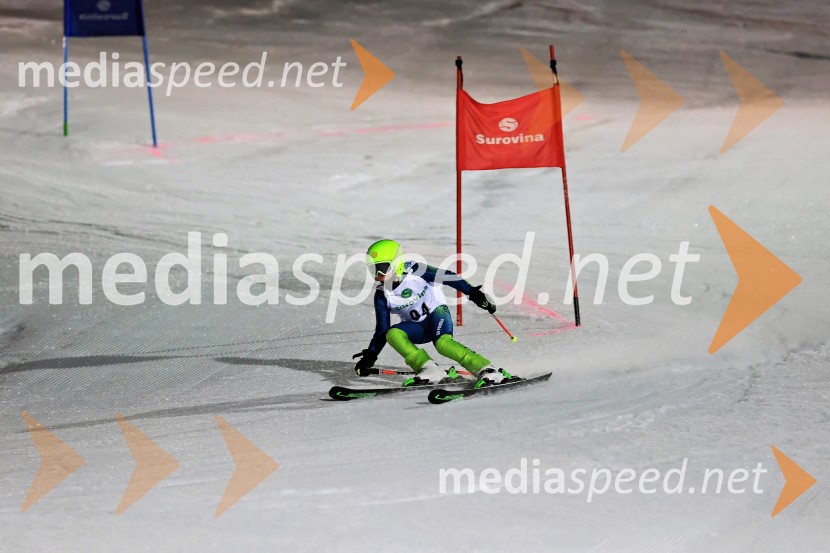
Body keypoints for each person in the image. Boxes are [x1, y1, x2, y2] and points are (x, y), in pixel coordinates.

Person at [352, 239, 513, 387]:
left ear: (397, 263)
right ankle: (429, 369)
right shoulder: (382, 295)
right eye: (373, 269)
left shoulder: (415, 270)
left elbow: (447, 276)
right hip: (417, 328)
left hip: (437, 315)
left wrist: (472, 293)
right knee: (392, 334)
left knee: (443, 344)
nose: (378, 275)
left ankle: (487, 369)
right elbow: (382, 330)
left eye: (382, 268)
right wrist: (370, 357)